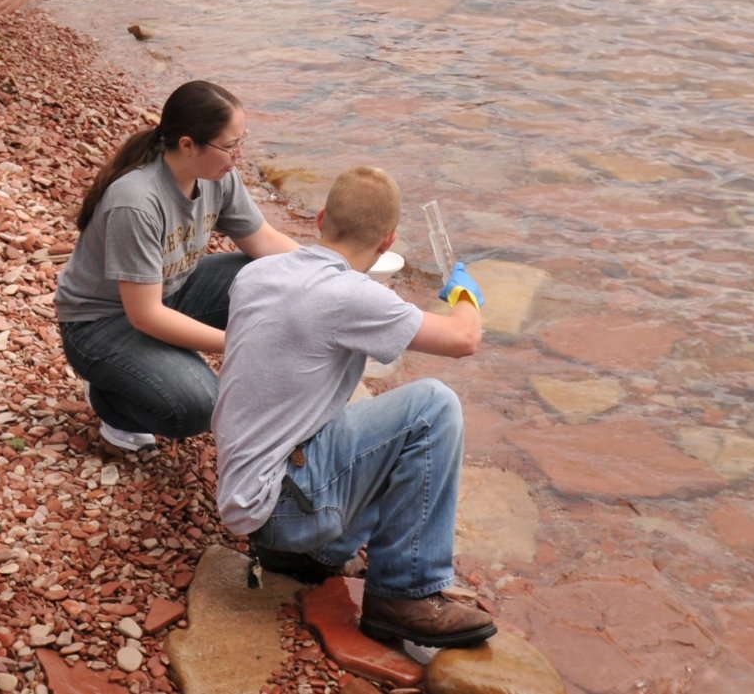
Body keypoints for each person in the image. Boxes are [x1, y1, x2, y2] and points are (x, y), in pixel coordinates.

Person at [212, 166, 497, 649]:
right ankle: (403, 595)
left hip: (250, 495)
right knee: (432, 406)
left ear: (322, 217)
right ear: (388, 243)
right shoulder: (349, 294)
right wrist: (465, 294)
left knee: (359, 418)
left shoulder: (258, 273)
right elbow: (463, 339)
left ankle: (317, 556)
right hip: (279, 508)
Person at [55, 80, 300, 451]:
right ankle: (111, 400)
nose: (239, 156)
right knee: (201, 405)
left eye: (241, 142)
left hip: (170, 288)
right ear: (188, 145)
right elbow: (146, 316)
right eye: (231, 146)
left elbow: (264, 240)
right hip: (102, 323)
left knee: (281, 280)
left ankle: (148, 369)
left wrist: (332, 273)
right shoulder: (136, 202)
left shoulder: (218, 177)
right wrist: (238, 344)